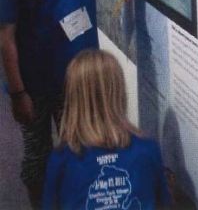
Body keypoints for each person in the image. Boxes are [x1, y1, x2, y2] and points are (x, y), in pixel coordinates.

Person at [0, 0, 137, 209]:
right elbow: (6, 39)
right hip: (35, 83)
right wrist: (18, 93)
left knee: (81, 151)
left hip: (79, 82)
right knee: (38, 156)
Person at [42, 48, 171, 210]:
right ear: (119, 92)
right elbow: (164, 204)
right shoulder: (148, 149)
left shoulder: (61, 158)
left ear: (73, 97)